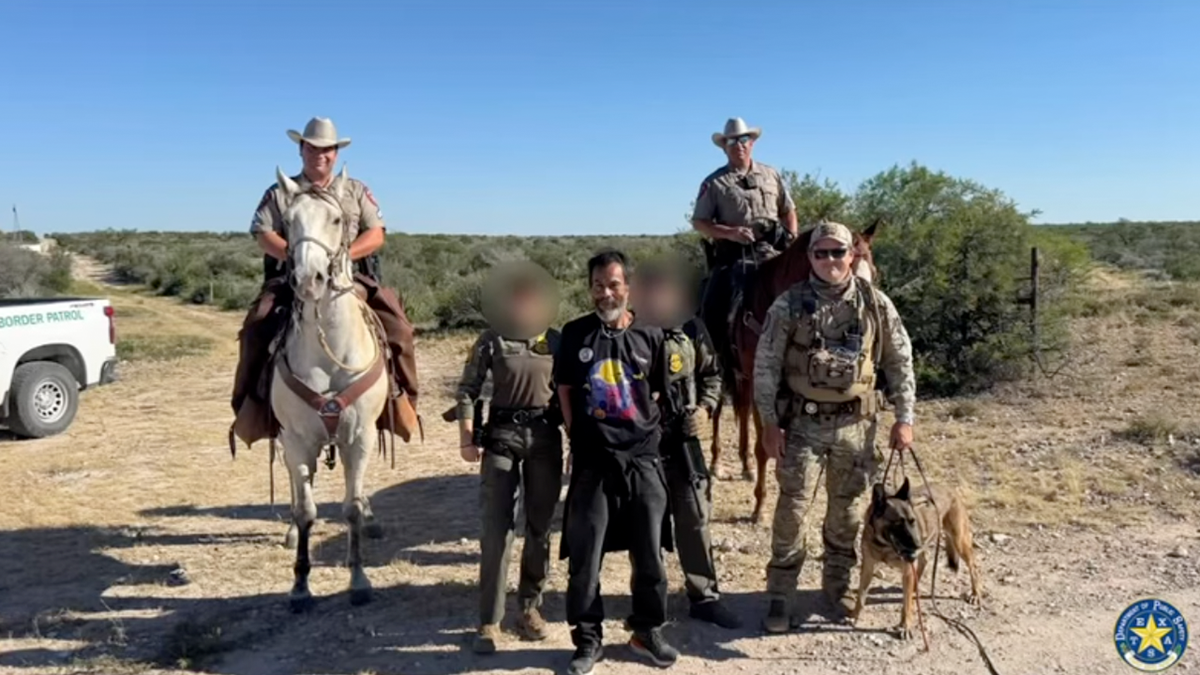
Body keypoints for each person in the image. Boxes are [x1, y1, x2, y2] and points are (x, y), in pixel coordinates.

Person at [751, 221, 916, 633]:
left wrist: (904, 418)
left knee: (847, 512)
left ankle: (838, 586)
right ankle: (780, 595)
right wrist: (769, 423)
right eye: (820, 253)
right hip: (802, 424)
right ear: (809, 257)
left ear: (852, 255)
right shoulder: (788, 305)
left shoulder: (875, 303)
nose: (830, 260)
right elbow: (766, 366)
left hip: (857, 426)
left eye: (838, 252)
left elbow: (899, 360)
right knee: (792, 512)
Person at [230, 117, 419, 446]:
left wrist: (344, 256)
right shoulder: (279, 192)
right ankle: (251, 408)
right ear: (301, 149)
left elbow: (376, 233)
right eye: (312, 148)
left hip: (350, 277)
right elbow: (263, 233)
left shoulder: (355, 190)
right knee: (256, 327)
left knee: (398, 327)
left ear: (335, 153)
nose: (320, 154)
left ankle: (401, 403)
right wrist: (297, 256)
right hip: (291, 276)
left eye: (326, 149)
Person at [555, 250, 679, 675]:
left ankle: (647, 631)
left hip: (643, 459)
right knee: (585, 556)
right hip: (594, 460)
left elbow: (658, 392)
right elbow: (565, 388)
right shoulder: (575, 333)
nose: (605, 293)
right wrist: (576, 435)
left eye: (613, 284)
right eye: (597, 286)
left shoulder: (651, 334)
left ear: (628, 287)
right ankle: (588, 639)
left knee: (650, 554)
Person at [452, 263, 564, 654]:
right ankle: (489, 620)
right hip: (501, 437)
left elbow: (570, 392)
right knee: (497, 529)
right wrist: (467, 438)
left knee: (539, 527)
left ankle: (530, 607)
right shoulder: (491, 339)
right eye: (518, 297)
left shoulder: (555, 340)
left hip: (545, 437)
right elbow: (467, 390)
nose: (524, 304)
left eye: (531, 297)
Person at [630, 258, 742, 630]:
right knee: (646, 524)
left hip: (683, 438)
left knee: (695, 517)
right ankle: (649, 602)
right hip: (641, 443)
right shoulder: (625, 331)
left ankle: (704, 595)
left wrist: (706, 409)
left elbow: (712, 376)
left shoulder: (692, 329)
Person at [691, 117, 799, 380]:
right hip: (733, 258)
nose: (738, 145)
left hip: (773, 253)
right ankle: (718, 368)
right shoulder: (714, 183)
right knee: (710, 307)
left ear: (752, 143)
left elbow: (788, 210)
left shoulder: (771, 174)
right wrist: (730, 233)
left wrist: (792, 238)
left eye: (743, 139)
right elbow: (700, 222)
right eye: (732, 141)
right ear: (724, 147)